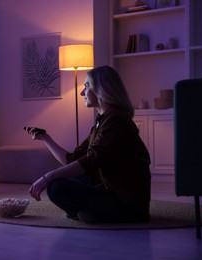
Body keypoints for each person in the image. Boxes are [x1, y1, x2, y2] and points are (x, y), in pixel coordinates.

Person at [27, 65, 151, 223]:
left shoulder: (117, 121)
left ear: (101, 89)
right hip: (108, 190)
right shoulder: (103, 121)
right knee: (61, 180)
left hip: (126, 204)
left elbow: (92, 160)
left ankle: (95, 215)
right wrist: (45, 138)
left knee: (56, 187)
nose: (82, 93)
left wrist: (47, 177)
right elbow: (72, 159)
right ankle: (89, 213)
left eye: (86, 86)